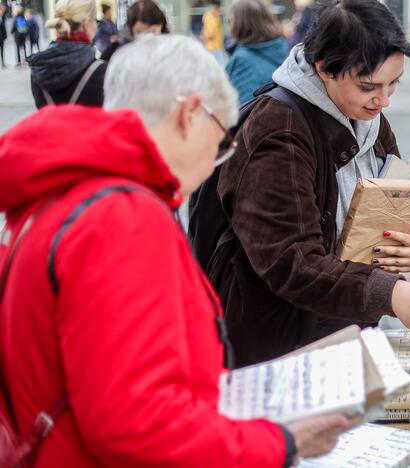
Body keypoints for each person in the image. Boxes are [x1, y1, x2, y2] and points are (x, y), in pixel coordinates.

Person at [0, 34, 356, 467]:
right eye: (222, 141)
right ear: (190, 114)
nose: (216, 161)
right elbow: (137, 424)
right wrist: (279, 443)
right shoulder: (124, 217)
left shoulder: (62, 194)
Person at [205, 0, 410, 368]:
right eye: (368, 86)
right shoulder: (279, 129)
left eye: (393, 84)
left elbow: (408, 205)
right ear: (324, 70)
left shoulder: (369, 119)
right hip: (278, 345)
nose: (383, 100)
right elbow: (292, 261)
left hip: (342, 331)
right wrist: (392, 293)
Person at [27, 0, 106, 108]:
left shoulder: (39, 68)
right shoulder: (100, 70)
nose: (96, 26)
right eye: (95, 20)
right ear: (86, 24)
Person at [225, 0, 288, 104]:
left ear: (240, 24)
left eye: (230, 21)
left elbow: (242, 111)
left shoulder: (242, 60)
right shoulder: (280, 48)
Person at [100, 0, 168, 61]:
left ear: (162, 28)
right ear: (131, 32)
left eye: (152, 32)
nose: (146, 38)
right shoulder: (120, 56)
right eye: (139, 32)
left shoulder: (171, 52)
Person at [202, 0, 226, 65]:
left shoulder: (214, 16)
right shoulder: (210, 17)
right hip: (213, 48)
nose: (219, 11)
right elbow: (210, 34)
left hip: (216, 47)